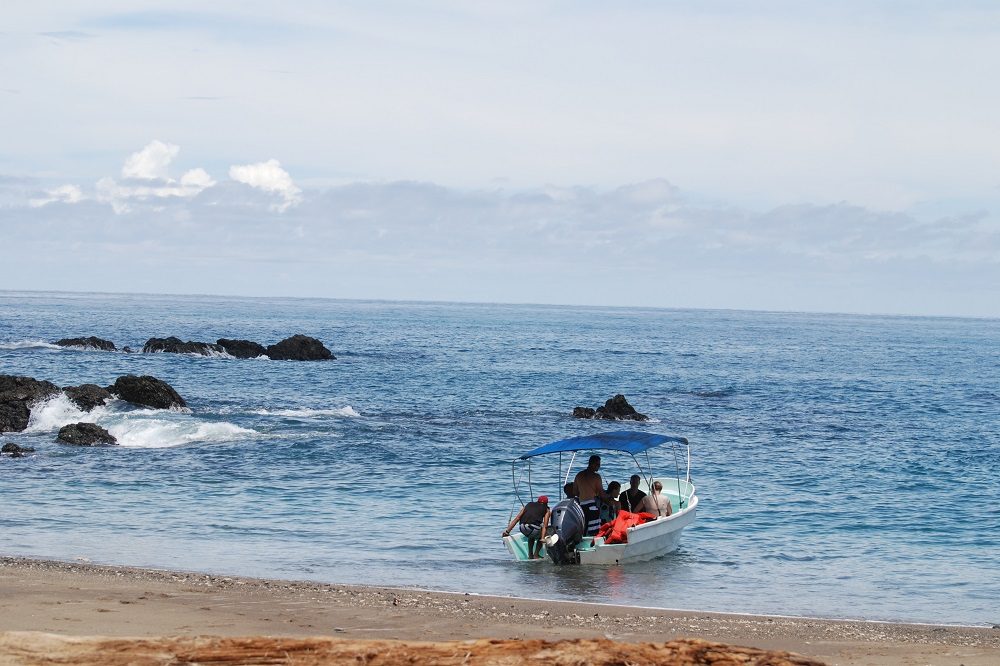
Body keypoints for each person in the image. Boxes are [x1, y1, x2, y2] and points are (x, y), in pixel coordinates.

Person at [573, 454, 607, 536]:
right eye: (598, 464)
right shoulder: (596, 477)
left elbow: (575, 492)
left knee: (583, 530)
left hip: (581, 507)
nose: (599, 466)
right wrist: (609, 498)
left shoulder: (579, 475)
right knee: (593, 532)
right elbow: (601, 494)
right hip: (592, 506)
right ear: (592, 464)